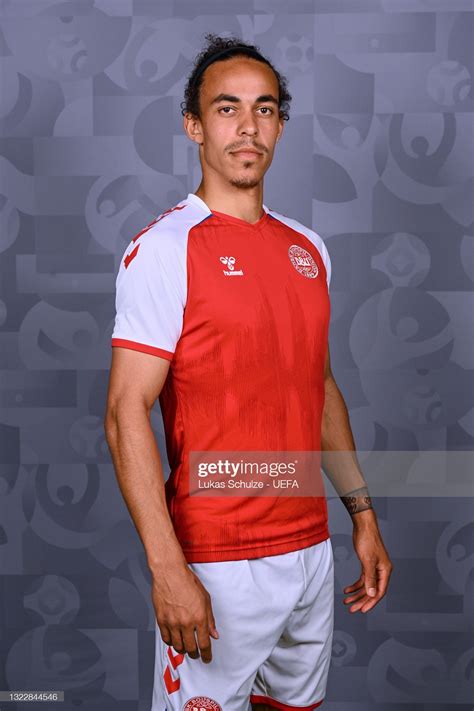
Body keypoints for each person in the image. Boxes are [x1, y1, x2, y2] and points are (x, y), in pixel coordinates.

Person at [104, 32, 393, 711]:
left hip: (308, 552)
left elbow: (317, 389)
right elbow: (124, 417)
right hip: (216, 559)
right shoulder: (165, 249)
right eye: (227, 108)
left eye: (264, 109)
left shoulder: (307, 248)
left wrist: (363, 514)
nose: (247, 126)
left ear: (281, 126)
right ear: (194, 126)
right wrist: (167, 568)